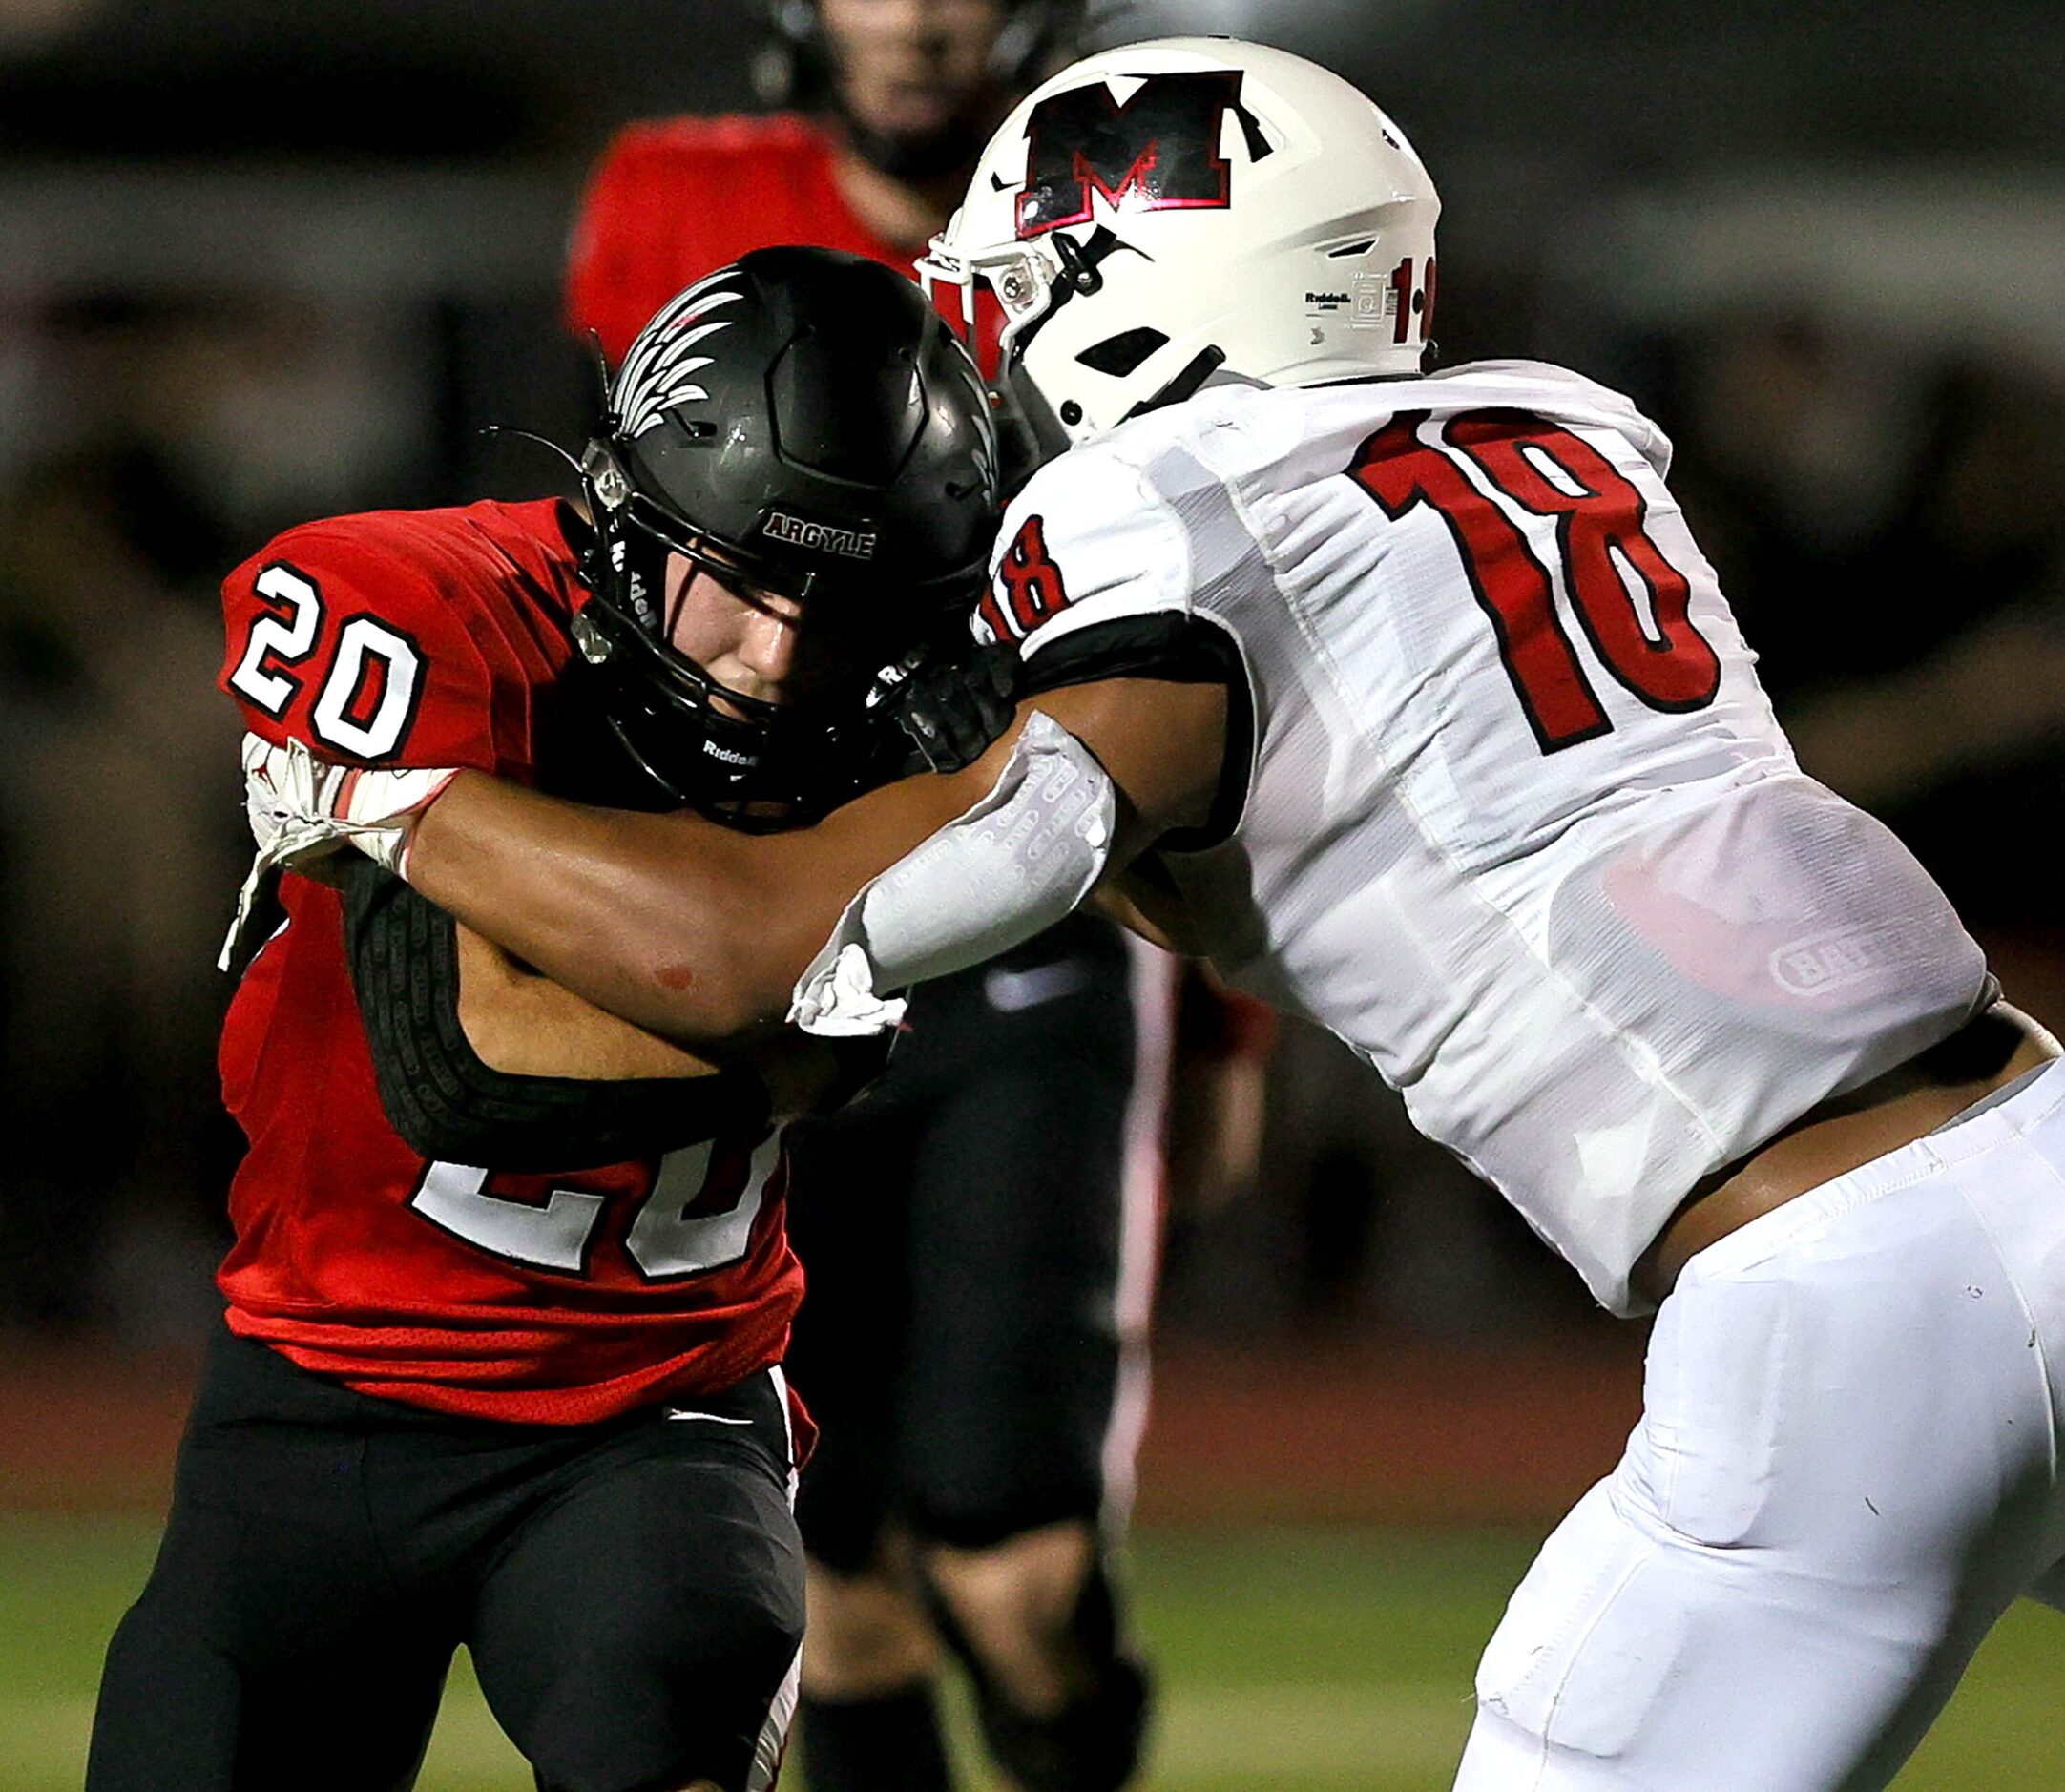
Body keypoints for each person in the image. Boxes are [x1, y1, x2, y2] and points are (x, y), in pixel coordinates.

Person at [238, 36, 2065, 1790]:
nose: (1003, 355)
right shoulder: (1562, 434)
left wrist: (390, 801)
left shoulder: (1166, 501)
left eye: (1029, 291)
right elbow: (1312, 834)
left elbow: (758, 946)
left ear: (1146, 293)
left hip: (1840, 1307)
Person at [89, 248, 1001, 1792]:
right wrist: (771, 985)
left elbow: (693, 1027)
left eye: (843, 610)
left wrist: (419, 823)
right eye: (753, 584)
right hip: (320, 1395)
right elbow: (463, 1065)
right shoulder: (409, 606)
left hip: (657, 1418)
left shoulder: (931, 711)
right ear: (638, 516)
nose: (781, 658)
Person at [569, 8, 1170, 1790]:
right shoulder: (667, 195)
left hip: (1030, 916)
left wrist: (1218, 1017)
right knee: (833, 1581)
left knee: (1019, 1568)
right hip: (765, 919)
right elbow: (583, 552)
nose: (912, 15)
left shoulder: (1125, 210)